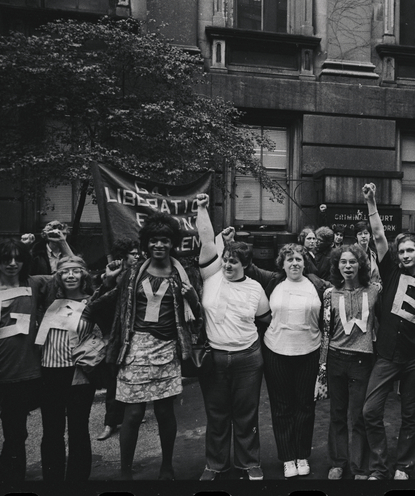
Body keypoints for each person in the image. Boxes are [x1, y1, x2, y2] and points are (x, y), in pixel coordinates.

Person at [93, 212, 201, 480]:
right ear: (146, 243)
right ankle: (125, 472)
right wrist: (106, 283)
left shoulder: (182, 275)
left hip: (167, 349)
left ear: (172, 243)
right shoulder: (132, 273)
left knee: (165, 412)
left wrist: (193, 297)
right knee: (132, 414)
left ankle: (166, 466)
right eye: (153, 240)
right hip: (136, 348)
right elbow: (106, 303)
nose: (159, 245)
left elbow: (196, 317)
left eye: (164, 240)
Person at [361, 183, 415, 480]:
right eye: (401, 250)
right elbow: (379, 234)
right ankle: (379, 466)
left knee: (410, 415)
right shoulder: (391, 270)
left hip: (414, 359)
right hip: (386, 357)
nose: (405, 255)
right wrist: (372, 202)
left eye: (410, 250)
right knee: (370, 412)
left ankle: (404, 466)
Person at [194, 195, 271, 481]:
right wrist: (202, 209)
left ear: (245, 264)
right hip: (214, 357)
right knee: (216, 415)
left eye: (234, 262)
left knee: (246, 415)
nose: (227, 265)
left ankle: (249, 463)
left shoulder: (255, 289)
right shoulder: (211, 276)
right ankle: (214, 465)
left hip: (248, 358)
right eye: (226, 259)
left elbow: (265, 319)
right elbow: (205, 241)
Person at [0, 239, 49, 482]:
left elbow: (69, 273)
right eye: (6, 259)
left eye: (17, 259)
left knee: (16, 434)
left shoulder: (34, 284)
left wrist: (61, 242)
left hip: (22, 375)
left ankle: (8, 481)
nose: (12, 264)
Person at [261, 243, 327, 479]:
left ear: (304, 262)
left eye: (298, 259)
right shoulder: (274, 282)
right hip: (276, 351)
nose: (295, 263)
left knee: (305, 407)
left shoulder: (317, 285)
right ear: (282, 264)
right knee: (281, 407)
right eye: (289, 259)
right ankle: (288, 458)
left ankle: (302, 455)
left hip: (309, 351)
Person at [36, 256, 98, 481]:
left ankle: (77, 483)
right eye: (64, 272)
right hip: (49, 371)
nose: (70, 275)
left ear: (84, 275)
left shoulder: (93, 302)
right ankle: (52, 481)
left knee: (78, 429)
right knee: (51, 431)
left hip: (78, 373)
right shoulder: (47, 301)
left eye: (76, 271)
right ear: (57, 277)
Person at [324, 244, 381, 480]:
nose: (348, 266)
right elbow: (325, 328)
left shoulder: (374, 290)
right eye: (343, 262)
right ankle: (338, 462)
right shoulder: (329, 294)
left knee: (359, 415)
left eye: (353, 262)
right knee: (337, 413)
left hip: (362, 360)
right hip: (336, 357)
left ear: (361, 265)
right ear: (337, 266)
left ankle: (359, 466)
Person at [95, 238, 142, 441]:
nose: (137, 256)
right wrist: (109, 280)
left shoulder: (141, 275)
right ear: (123, 256)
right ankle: (110, 422)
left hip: (135, 335)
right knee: (114, 381)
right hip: (115, 337)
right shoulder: (111, 276)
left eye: (138, 252)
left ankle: (132, 416)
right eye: (133, 253)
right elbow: (99, 305)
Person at [353, 220, 380, 284]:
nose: (363, 236)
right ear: (356, 236)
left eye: (365, 233)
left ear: (370, 235)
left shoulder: (373, 254)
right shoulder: (352, 253)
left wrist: (378, 285)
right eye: (360, 234)